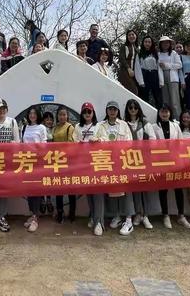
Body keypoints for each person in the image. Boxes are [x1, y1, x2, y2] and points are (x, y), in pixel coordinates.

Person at [154, 104, 190, 229]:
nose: (164, 114)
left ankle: (181, 216)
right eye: (162, 112)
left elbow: (181, 143)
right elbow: (152, 145)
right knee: (163, 190)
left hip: (175, 161)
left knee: (178, 189)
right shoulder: (154, 127)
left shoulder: (176, 126)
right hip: (161, 162)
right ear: (159, 113)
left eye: (167, 112)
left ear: (170, 113)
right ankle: (165, 215)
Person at [73, 102, 108, 236]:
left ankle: (100, 222)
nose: (87, 114)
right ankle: (93, 216)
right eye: (85, 112)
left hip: (98, 162)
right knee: (89, 192)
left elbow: (105, 140)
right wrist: (79, 144)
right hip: (84, 164)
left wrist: (97, 140)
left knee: (98, 192)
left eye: (89, 111)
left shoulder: (99, 126)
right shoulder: (77, 127)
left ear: (93, 113)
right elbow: (73, 142)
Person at [101, 101, 134, 236]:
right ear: (107, 111)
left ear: (118, 111)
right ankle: (117, 216)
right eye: (110, 109)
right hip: (108, 162)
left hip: (122, 161)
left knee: (125, 190)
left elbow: (129, 142)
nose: (112, 111)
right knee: (113, 191)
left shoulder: (124, 125)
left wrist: (117, 149)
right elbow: (98, 140)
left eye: (114, 109)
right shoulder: (101, 125)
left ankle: (129, 219)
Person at [124, 99, 156, 230]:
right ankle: (138, 214)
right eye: (130, 108)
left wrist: (142, 148)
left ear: (138, 109)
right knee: (134, 189)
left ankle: (146, 215)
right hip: (130, 161)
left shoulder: (145, 124)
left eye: (135, 108)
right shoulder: (124, 124)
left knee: (145, 187)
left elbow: (153, 141)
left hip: (144, 160)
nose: (132, 110)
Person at [0, 99, 20, 232]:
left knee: (3, 189)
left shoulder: (12, 122)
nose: (1, 111)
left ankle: (2, 216)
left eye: (4, 108)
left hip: (7, 161)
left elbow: (17, 142)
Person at [21, 106, 48, 232]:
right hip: (26, 162)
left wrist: (35, 150)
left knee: (36, 190)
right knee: (29, 190)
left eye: (34, 113)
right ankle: (32, 214)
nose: (32, 115)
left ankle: (36, 218)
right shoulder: (25, 127)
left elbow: (44, 144)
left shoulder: (42, 128)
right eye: (30, 113)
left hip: (37, 163)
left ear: (38, 115)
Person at [52, 106, 76, 223]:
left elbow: (71, 144)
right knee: (59, 189)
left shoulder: (70, 127)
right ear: (57, 116)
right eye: (60, 114)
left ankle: (72, 213)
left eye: (64, 115)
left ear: (67, 116)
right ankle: (60, 213)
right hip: (57, 162)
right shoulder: (55, 128)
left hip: (68, 162)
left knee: (70, 188)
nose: (62, 117)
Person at [158, 36, 182, 120]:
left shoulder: (174, 53)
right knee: (166, 100)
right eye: (163, 42)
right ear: (161, 44)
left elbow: (179, 65)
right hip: (162, 77)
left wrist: (167, 65)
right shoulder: (158, 54)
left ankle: (177, 119)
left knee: (175, 100)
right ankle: (167, 119)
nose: (165, 44)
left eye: (167, 42)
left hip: (172, 78)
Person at [138, 36, 163, 109]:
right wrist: (140, 81)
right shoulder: (140, 54)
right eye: (146, 42)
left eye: (149, 42)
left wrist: (161, 81)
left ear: (152, 43)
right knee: (144, 97)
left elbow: (159, 67)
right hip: (144, 75)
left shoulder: (156, 54)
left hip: (154, 75)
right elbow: (138, 68)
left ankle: (160, 116)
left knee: (158, 98)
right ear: (143, 43)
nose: (147, 44)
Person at [118, 29, 142, 95]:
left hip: (135, 73)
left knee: (137, 91)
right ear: (127, 37)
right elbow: (121, 58)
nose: (131, 36)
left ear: (136, 36)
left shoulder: (138, 48)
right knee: (133, 90)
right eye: (129, 35)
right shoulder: (124, 46)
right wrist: (128, 68)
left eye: (133, 34)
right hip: (125, 72)